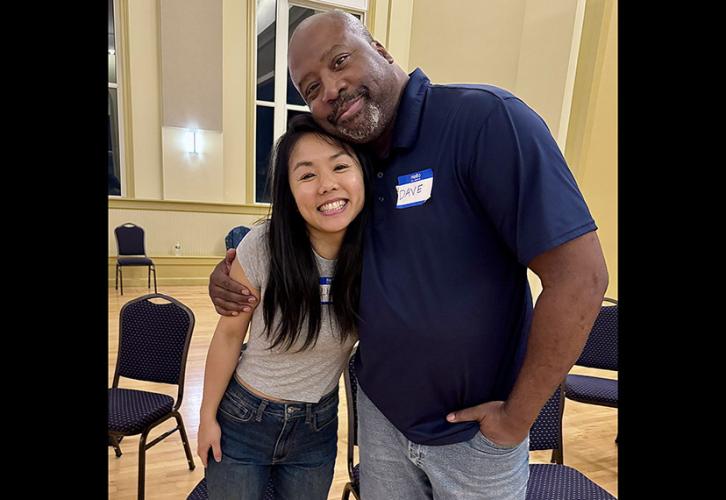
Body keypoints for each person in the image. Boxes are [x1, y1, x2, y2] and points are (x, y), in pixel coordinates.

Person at [209, 10, 609, 500]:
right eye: (311, 88)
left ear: (380, 50)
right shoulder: (354, 164)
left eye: (340, 61)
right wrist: (236, 271)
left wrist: (515, 420)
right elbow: (304, 241)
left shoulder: (485, 120)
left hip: (475, 440)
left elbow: (581, 278)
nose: (330, 89)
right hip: (381, 426)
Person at [198, 113, 370, 499]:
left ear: (362, 173)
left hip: (318, 427)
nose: (327, 185)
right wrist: (206, 416)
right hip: (244, 417)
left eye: (340, 166)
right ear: (289, 190)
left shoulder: (377, 254)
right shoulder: (263, 246)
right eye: (307, 175)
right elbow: (228, 336)